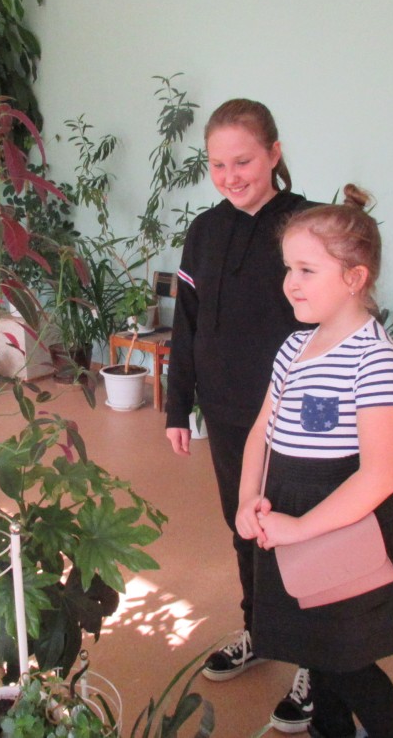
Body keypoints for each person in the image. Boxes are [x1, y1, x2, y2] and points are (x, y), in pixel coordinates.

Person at [235, 190, 393, 738]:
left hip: (338, 522)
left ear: (355, 278)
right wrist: (247, 498)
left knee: (347, 658)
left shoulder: (376, 361)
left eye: (307, 270)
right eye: (289, 268)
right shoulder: (293, 348)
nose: (291, 282)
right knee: (314, 649)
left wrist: (301, 528)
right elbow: (261, 433)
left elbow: (379, 475)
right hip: (287, 514)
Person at [165, 98, 316, 733]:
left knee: (297, 533)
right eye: (218, 164)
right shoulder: (204, 231)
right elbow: (187, 322)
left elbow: (334, 320)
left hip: (295, 417)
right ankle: (260, 631)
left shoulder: (306, 226)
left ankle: (313, 660)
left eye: (244, 161)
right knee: (244, 525)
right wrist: (178, 404)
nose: (230, 176)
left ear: (274, 154)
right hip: (227, 412)